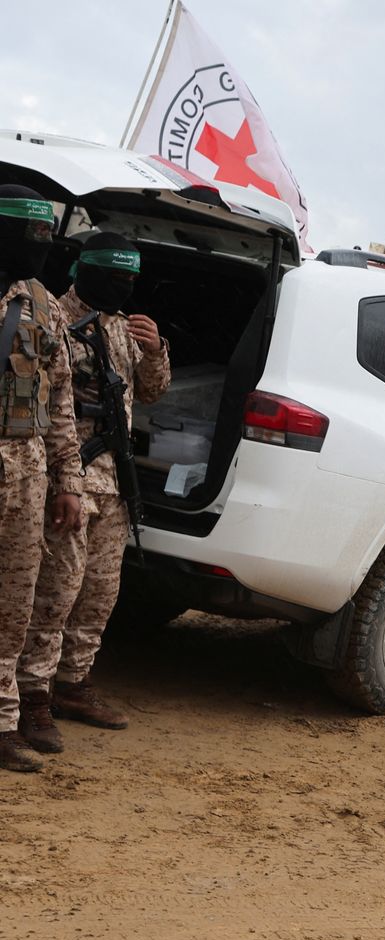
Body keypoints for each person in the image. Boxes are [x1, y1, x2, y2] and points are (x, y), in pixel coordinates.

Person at [16, 233, 170, 753]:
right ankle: (33, 694)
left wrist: (154, 351)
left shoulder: (121, 327)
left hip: (114, 484)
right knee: (54, 594)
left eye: (131, 279)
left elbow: (150, 392)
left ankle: (74, 684)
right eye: (115, 276)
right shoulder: (52, 316)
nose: (123, 287)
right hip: (70, 481)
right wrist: (67, 480)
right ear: (86, 269)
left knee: (100, 593)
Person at [0, 184, 85, 772]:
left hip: (24, 467)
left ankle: (3, 721)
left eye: (44, 238)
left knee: (14, 601)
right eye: (26, 237)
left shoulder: (44, 304)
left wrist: (68, 482)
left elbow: (61, 406)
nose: (38, 250)